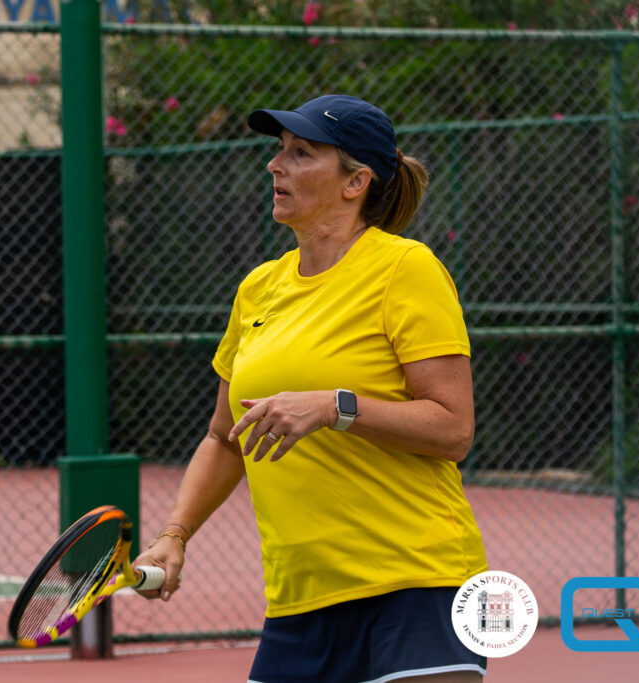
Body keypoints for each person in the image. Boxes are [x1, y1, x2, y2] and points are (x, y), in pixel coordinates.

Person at [134, 95, 488, 682]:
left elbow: (453, 429)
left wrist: (335, 407)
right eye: (279, 151)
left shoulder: (406, 268)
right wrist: (175, 536)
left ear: (355, 182)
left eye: (301, 153)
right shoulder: (258, 288)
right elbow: (225, 439)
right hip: (300, 601)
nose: (276, 165)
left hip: (418, 583)